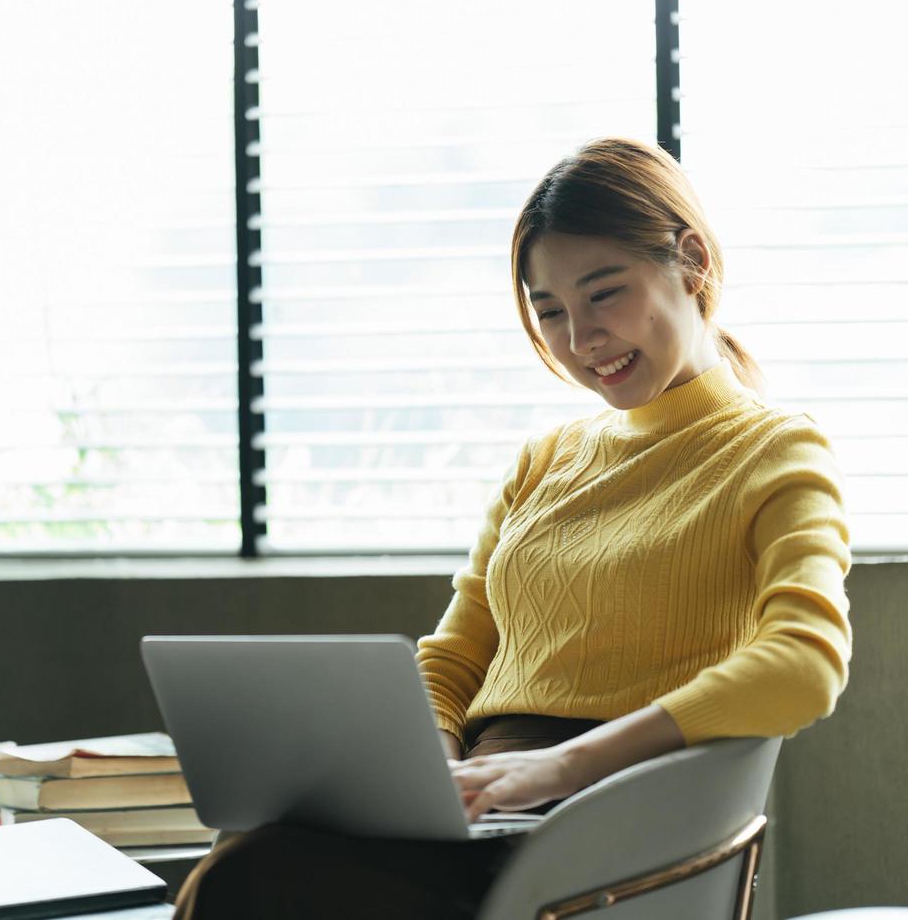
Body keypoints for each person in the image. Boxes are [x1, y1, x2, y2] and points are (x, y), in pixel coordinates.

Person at [172, 136, 852, 919]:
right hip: (487, 803)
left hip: (609, 816)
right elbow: (456, 656)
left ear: (691, 262)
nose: (580, 340)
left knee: (255, 881)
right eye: (551, 311)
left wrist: (562, 767)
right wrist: (422, 770)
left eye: (605, 293)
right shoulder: (546, 460)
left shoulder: (775, 449)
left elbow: (804, 663)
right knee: (252, 849)